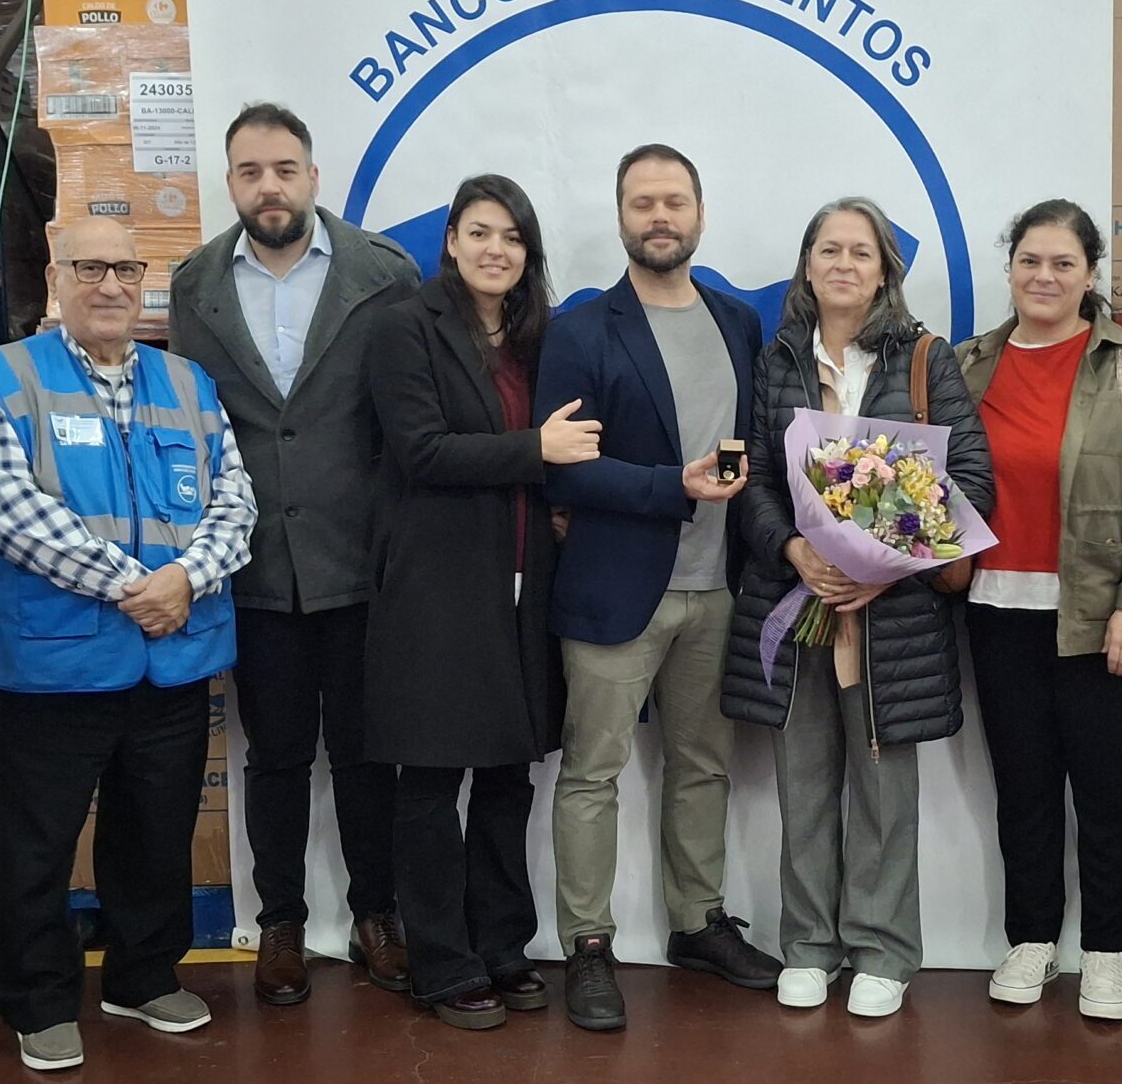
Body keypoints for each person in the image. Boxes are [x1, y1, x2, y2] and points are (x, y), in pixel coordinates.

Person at [0, 218, 256, 1071]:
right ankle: (37, 1001)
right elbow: (8, 513)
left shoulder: (187, 384)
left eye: (126, 267)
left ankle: (143, 976)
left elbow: (236, 501)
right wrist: (136, 588)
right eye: (91, 267)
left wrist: (187, 580)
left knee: (154, 832)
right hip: (54, 662)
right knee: (34, 845)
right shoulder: (3, 379)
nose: (112, 285)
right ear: (56, 277)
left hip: (172, 656)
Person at [168, 102, 421, 1005]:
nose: (267, 186)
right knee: (272, 755)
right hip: (256, 566)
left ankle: (376, 915)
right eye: (249, 172)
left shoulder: (384, 274)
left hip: (363, 560)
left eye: (283, 168)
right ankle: (279, 919)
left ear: (313, 177)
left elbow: (405, 422)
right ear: (230, 183)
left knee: (365, 755)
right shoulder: (194, 286)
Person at [721, 198, 992, 1019]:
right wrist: (795, 550)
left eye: (861, 252)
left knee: (882, 787)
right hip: (795, 601)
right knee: (803, 784)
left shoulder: (923, 360)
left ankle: (883, 949)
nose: (844, 263)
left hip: (892, 618)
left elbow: (968, 483)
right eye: (828, 249)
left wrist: (886, 571)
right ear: (807, 265)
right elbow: (757, 480)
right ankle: (808, 945)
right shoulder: (775, 364)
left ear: (884, 271)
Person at [533, 143, 777, 1032]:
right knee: (592, 774)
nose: (660, 216)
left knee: (703, 765)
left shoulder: (736, 321)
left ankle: (697, 922)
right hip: (613, 590)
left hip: (720, 589)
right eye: (643, 202)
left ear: (701, 214)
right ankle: (588, 946)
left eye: (675, 200)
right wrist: (671, 485)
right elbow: (564, 474)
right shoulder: (582, 329)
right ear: (622, 216)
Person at [364, 175, 583, 1030]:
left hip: (526, 587)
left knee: (507, 777)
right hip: (436, 590)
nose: (498, 249)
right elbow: (421, 451)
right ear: (451, 240)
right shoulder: (401, 328)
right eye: (481, 232)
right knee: (429, 781)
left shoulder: (535, 340)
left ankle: (502, 945)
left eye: (514, 237)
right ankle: (441, 963)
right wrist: (539, 449)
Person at [955, 200, 1122, 1021]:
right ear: (1010, 269)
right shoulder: (969, 363)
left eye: (1062, 264)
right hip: (996, 610)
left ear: (1091, 275)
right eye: (1029, 261)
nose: (1043, 277)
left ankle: (1107, 953)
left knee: (1110, 792)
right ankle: (1031, 941)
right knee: (1023, 789)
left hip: (1102, 617)